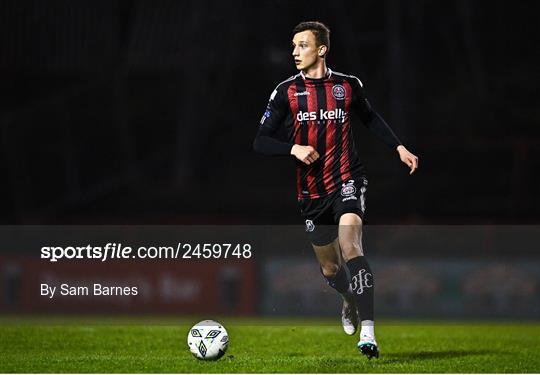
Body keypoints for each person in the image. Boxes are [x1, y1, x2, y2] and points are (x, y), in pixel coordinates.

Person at [253, 21, 418, 359]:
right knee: (331, 269)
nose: (295, 52)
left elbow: (369, 118)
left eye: (303, 45)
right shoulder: (285, 91)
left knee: (351, 246)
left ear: (322, 49)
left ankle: (369, 334)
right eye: (294, 46)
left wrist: (397, 147)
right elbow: (259, 141)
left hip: (347, 179)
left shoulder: (347, 86)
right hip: (311, 193)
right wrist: (292, 149)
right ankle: (347, 300)